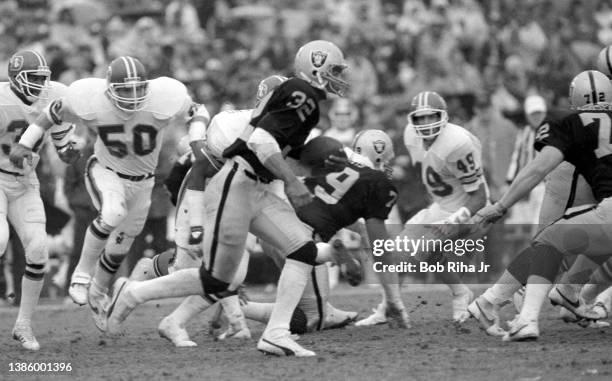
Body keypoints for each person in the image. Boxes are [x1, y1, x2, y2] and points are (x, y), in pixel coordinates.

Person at [106, 40, 350, 357]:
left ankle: (275, 333)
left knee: (300, 249)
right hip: (235, 186)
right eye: (333, 69)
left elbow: (280, 149)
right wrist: (293, 181)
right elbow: (261, 143)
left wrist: (314, 170)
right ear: (315, 68)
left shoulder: (305, 100)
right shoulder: (299, 95)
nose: (339, 76)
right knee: (219, 280)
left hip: (258, 187)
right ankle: (133, 293)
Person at [9, 56, 210, 331]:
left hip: (144, 181)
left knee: (120, 247)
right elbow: (51, 114)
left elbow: (198, 110)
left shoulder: (164, 96)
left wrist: (197, 136)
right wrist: (25, 142)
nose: (133, 95)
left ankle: (98, 291)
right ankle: (80, 276)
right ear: (109, 89)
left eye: (138, 88)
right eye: (125, 90)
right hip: (106, 171)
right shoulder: (90, 99)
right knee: (112, 212)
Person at [469, 70, 612, 341]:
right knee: (592, 241)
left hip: (583, 183)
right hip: (578, 180)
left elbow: (537, 167)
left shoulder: (568, 121)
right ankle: (568, 295)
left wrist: (500, 206)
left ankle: (524, 310)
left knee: (552, 242)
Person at [356, 91, 489, 327]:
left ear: (444, 116)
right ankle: (457, 294)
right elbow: (423, 168)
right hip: (441, 206)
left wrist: (456, 220)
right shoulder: (410, 135)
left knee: (411, 255)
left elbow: (479, 196)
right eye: (421, 118)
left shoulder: (458, 143)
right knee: (402, 254)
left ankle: (392, 307)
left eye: (432, 117)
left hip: (470, 211)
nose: (426, 123)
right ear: (412, 119)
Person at [0, 50, 75, 350]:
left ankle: (24, 325)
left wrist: (70, 151)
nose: (41, 84)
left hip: (26, 182)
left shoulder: (53, 98)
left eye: (44, 78)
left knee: (39, 249)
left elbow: (63, 145)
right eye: (33, 78)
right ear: (16, 77)